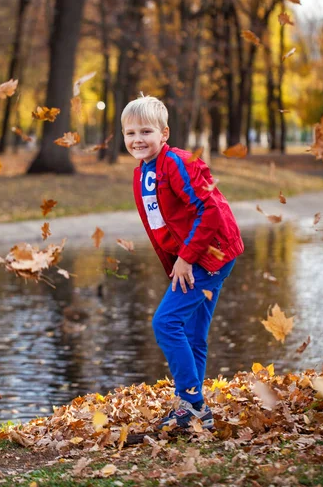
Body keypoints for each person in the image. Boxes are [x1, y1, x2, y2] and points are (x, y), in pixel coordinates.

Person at [121, 95, 244, 430]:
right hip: (194, 257)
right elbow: (164, 223)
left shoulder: (178, 162)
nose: (137, 139)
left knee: (165, 323)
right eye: (130, 133)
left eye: (146, 131)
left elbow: (210, 210)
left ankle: (191, 404)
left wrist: (187, 259)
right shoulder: (143, 172)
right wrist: (177, 261)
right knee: (192, 333)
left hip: (211, 254)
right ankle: (194, 411)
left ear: (165, 133)